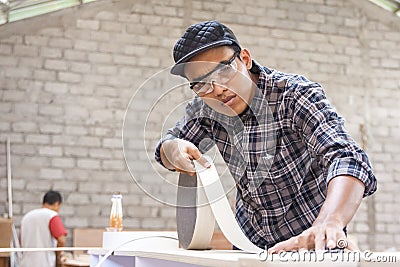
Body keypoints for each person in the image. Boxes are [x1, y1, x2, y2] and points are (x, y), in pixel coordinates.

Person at [155, 20, 377, 252]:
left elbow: (346, 157)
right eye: (201, 84)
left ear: (245, 59)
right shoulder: (207, 108)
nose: (217, 89)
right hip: (248, 245)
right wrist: (171, 149)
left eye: (223, 71)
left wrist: (329, 222)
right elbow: (167, 145)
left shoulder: (293, 95)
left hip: (311, 244)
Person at [20, 190, 67, 267]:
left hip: (25, 263)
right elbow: (61, 240)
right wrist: (58, 257)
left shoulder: (27, 217)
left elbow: (21, 241)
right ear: (57, 204)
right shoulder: (52, 216)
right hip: (45, 263)